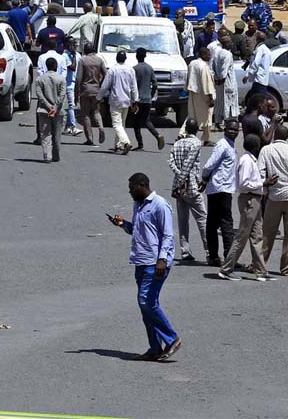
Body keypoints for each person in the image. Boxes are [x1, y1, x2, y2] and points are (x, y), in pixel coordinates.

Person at [108, 173, 181, 362]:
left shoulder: (160, 205)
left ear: (142, 185)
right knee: (146, 306)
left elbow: (167, 235)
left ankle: (172, 339)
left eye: (132, 187)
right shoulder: (138, 205)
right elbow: (139, 231)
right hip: (140, 261)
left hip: (155, 263)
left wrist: (162, 260)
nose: (129, 191)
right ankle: (155, 348)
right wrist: (123, 224)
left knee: (146, 301)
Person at [258, 124, 288, 276]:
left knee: (267, 233)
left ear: (275, 136)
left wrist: (265, 191)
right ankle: (286, 268)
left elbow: (260, 174)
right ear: (286, 137)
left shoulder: (266, 150)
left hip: (273, 197)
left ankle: (259, 264)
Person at [217, 133, 268, 281]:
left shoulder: (251, 160)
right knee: (242, 236)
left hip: (255, 199)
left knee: (257, 235)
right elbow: (244, 184)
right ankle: (226, 269)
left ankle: (261, 271)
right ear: (256, 146)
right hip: (249, 200)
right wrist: (262, 184)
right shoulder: (246, 161)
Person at [168, 117, 208, 262]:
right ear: (197, 130)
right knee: (203, 220)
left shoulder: (177, 144)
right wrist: (182, 181)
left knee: (182, 221)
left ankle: (185, 251)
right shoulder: (196, 143)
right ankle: (209, 251)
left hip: (178, 189)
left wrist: (178, 179)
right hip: (190, 187)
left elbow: (171, 163)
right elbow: (188, 163)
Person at [201, 117, 238, 267]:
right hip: (220, 188)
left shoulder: (230, 145)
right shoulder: (222, 145)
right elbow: (209, 165)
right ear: (225, 129)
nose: (233, 132)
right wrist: (204, 179)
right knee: (225, 224)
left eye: (236, 130)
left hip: (223, 188)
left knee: (215, 223)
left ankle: (216, 256)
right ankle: (226, 258)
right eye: (231, 129)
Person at [97, 50, 138, 154]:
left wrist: (98, 98)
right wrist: (135, 100)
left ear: (116, 58)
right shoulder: (130, 70)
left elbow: (105, 86)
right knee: (121, 124)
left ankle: (125, 142)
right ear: (125, 59)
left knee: (116, 124)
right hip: (126, 100)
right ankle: (118, 145)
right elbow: (134, 87)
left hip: (116, 100)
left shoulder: (113, 70)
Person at [35, 57, 66, 162]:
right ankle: (56, 155)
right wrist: (55, 107)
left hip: (44, 111)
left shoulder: (40, 79)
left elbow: (40, 96)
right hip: (58, 111)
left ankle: (47, 156)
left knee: (45, 134)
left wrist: (48, 106)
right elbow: (62, 95)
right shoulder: (61, 79)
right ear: (56, 66)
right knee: (57, 135)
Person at [75, 43, 107, 146]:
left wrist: (77, 92)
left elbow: (78, 78)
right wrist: (101, 85)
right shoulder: (99, 60)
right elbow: (106, 74)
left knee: (85, 115)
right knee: (96, 111)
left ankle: (90, 138)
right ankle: (101, 127)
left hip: (85, 90)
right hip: (96, 89)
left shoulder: (83, 60)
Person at [132, 48, 164, 150]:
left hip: (138, 99)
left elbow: (133, 85)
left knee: (136, 123)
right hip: (147, 99)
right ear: (145, 56)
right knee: (146, 120)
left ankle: (140, 144)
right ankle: (157, 135)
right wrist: (151, 95)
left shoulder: (135, 69)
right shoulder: (150, 68)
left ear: (137, 56)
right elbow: (155, 84)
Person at [186, 47, 215, 144]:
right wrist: (210, 97)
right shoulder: (204, 67)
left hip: (193, 92)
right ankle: (205, 138)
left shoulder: (192, 63)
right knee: (207, 116)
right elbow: (206, 84)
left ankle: (206, 137)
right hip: (203, 94)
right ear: (203, 55)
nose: (210, 56)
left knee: (192, 114)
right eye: (208, 54)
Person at [211, 37, 239, 129]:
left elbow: (213, 67)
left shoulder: (217, 53)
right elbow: (224, 69)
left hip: (219, 82)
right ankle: (228, 122)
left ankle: (217, 123)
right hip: (227, 82)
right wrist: (221, 78)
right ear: (226, 44)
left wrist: (216, 79)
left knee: (219, 103)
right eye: (230, 42)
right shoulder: (228, 54)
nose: (231, 43)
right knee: (229, 102)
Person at [243, 38, 272, 103]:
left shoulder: (260, 49)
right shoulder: (266, 49)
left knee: (259, 100)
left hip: (259, 79)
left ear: (257, 40)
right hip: (262, 79)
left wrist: (248, 75)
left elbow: (256, 63)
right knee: (254, 99)